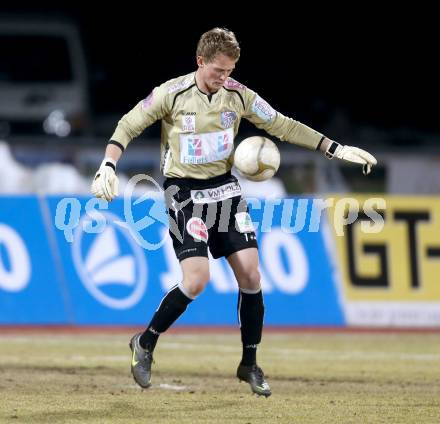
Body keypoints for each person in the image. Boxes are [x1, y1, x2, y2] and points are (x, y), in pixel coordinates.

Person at [91, 27, 376, 397]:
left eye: (229, 71)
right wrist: (108, 165)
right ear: (200, 62)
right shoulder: (171, 94)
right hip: (183, 192)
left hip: (225, 190)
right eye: (218, 71)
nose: (224, 78)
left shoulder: (239, 96)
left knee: (252, 275)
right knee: (196, 280)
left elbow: (283, 125)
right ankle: (145, 342)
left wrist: (333, 148)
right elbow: (127, 125)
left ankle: (249, 363)